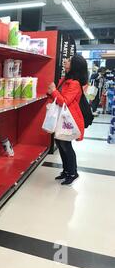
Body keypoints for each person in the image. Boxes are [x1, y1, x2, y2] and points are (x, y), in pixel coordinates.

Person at [47, 55, 88, 186]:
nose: (66, 61)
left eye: (69, 60)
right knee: (60, 144)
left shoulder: (74, 83)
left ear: (74, 65)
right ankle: (66, 170)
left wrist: (53, 91)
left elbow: (64, 101)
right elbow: (58, 96)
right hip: (62, 117)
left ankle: (73, 172)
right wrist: (52, 92)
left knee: (66, 146)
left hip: (68, 119)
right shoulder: (66, 79)